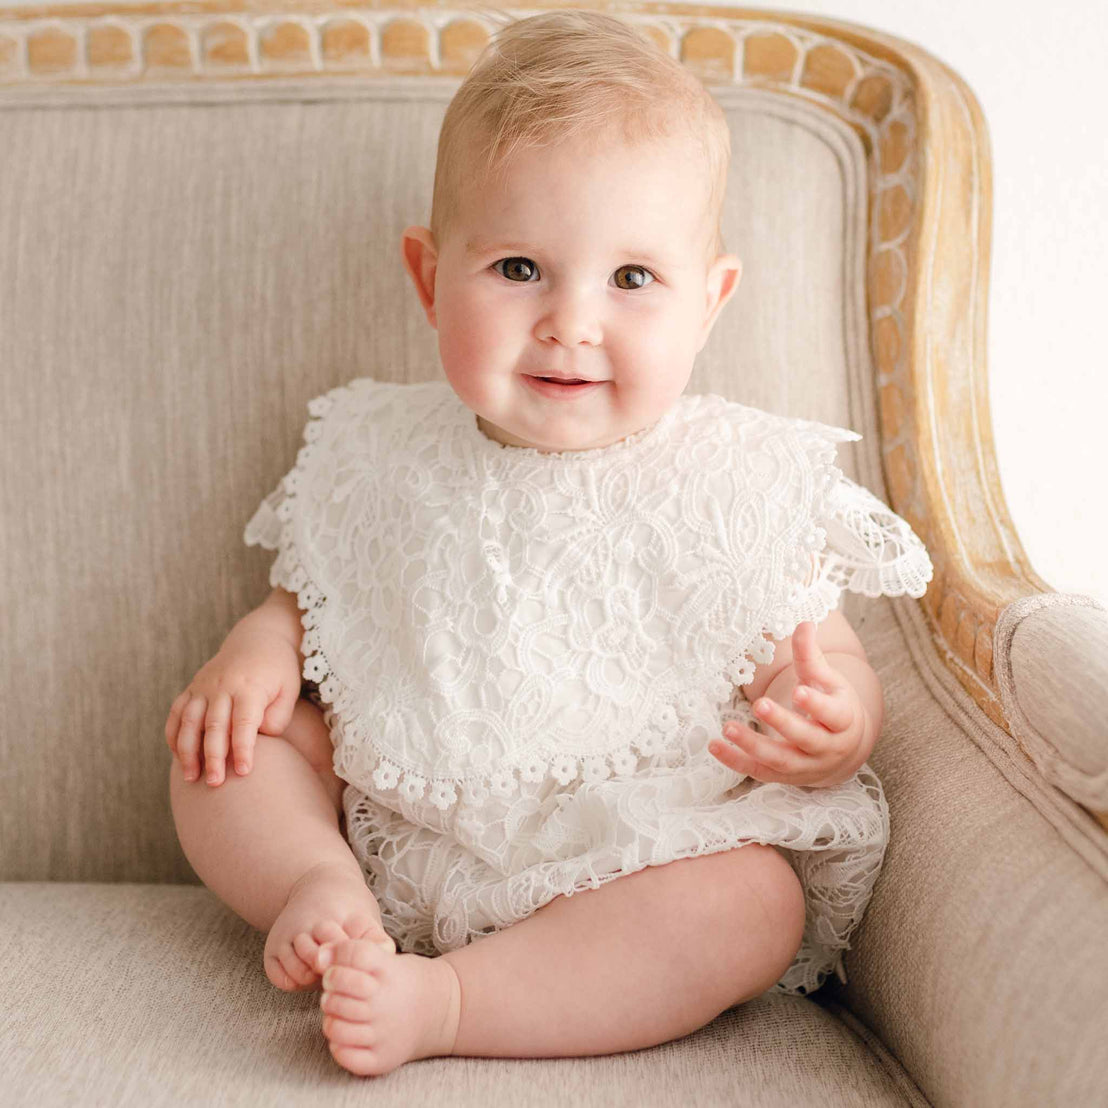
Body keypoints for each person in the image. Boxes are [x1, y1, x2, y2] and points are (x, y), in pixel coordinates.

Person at [165, 8, 933, 1079]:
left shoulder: (733, 479)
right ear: (431, 277)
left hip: (625, 856)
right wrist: (262, 642)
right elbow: (324, 590)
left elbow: (811, 650)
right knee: (224, 745)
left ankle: (454, 1001)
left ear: (706, 303)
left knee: (753, 899)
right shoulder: (376, 446)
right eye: (520, 267)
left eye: (630, 280)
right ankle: (313, 889)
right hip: (395, 822)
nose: (572, 321)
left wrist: (834, 723)